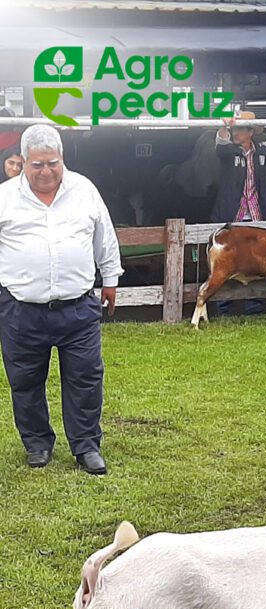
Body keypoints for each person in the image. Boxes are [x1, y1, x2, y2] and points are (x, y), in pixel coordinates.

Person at [0, 125, 122, 474]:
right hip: (21, 309)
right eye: (37, 164)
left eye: (52, 163)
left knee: (85, 379)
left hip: (78, 307)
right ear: (22, 161)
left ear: (62, 158)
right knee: (25, 381)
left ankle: (86, 446)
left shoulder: (84, 190)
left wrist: (110, 280)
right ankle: (37, 443)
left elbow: (104, 237)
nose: (45, 171)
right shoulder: (5, 197)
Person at [212, 109, 266, 316]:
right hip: (231, 215)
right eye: (235, 129)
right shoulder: (229, 151)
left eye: (241, 129)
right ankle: (223, 306)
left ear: (251, 132)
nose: (236, 133)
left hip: (256, 215)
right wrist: (224, 126)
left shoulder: (262, 150)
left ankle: (255, 305)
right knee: (227, 260)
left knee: (258, 260)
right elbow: (221, 147)